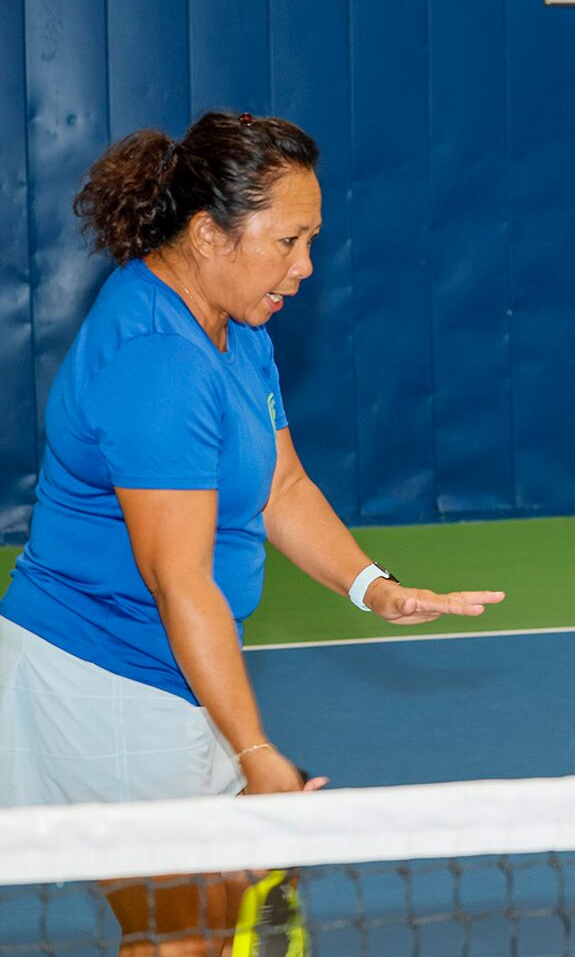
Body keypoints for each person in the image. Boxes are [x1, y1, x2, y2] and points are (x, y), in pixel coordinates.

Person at [0, 111, 504, 956]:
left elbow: (282, 486)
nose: (305, 268)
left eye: (312, 240)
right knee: (178, 935)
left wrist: (370, 585)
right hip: (109, 678)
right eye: (287, 242)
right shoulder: (157, 361)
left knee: (205, 898)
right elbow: (180, 581)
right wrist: (256, 745)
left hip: (169, 669)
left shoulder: (235, 330)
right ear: (208, 233)